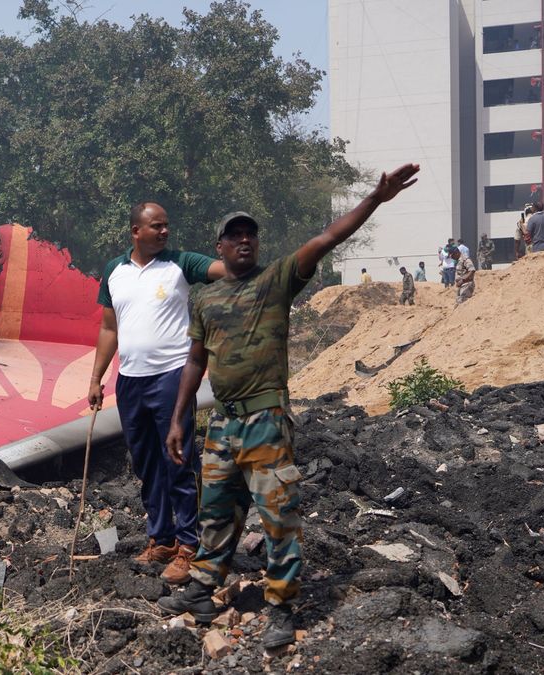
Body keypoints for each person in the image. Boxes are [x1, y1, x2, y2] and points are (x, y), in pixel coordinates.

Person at [157, 164, 420, 650]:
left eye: (250, 235)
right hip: (222, 423)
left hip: (265, 422)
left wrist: (374, 199)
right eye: (233, 236)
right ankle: (202, 586)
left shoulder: (276, 280)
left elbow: (326, 238)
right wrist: (179, 420)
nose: (243, 242)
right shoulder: (206, 298)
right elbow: (195, 361)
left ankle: (280, 605)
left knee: (278, 517)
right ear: (219, 246)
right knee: (215, 509)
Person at [88, 201, 226, 583]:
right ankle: (161, 538)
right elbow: (108, 328)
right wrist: (96, 378)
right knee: (146, 463)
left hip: (172, 377)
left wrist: (239, 258)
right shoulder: (114, 271)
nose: (164, 232)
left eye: (167, 226)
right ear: (136, 231)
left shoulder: (180, 263)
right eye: (156, 227)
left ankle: (189, 545)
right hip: (130, 380)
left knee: (178, 460)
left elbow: (220, 269)